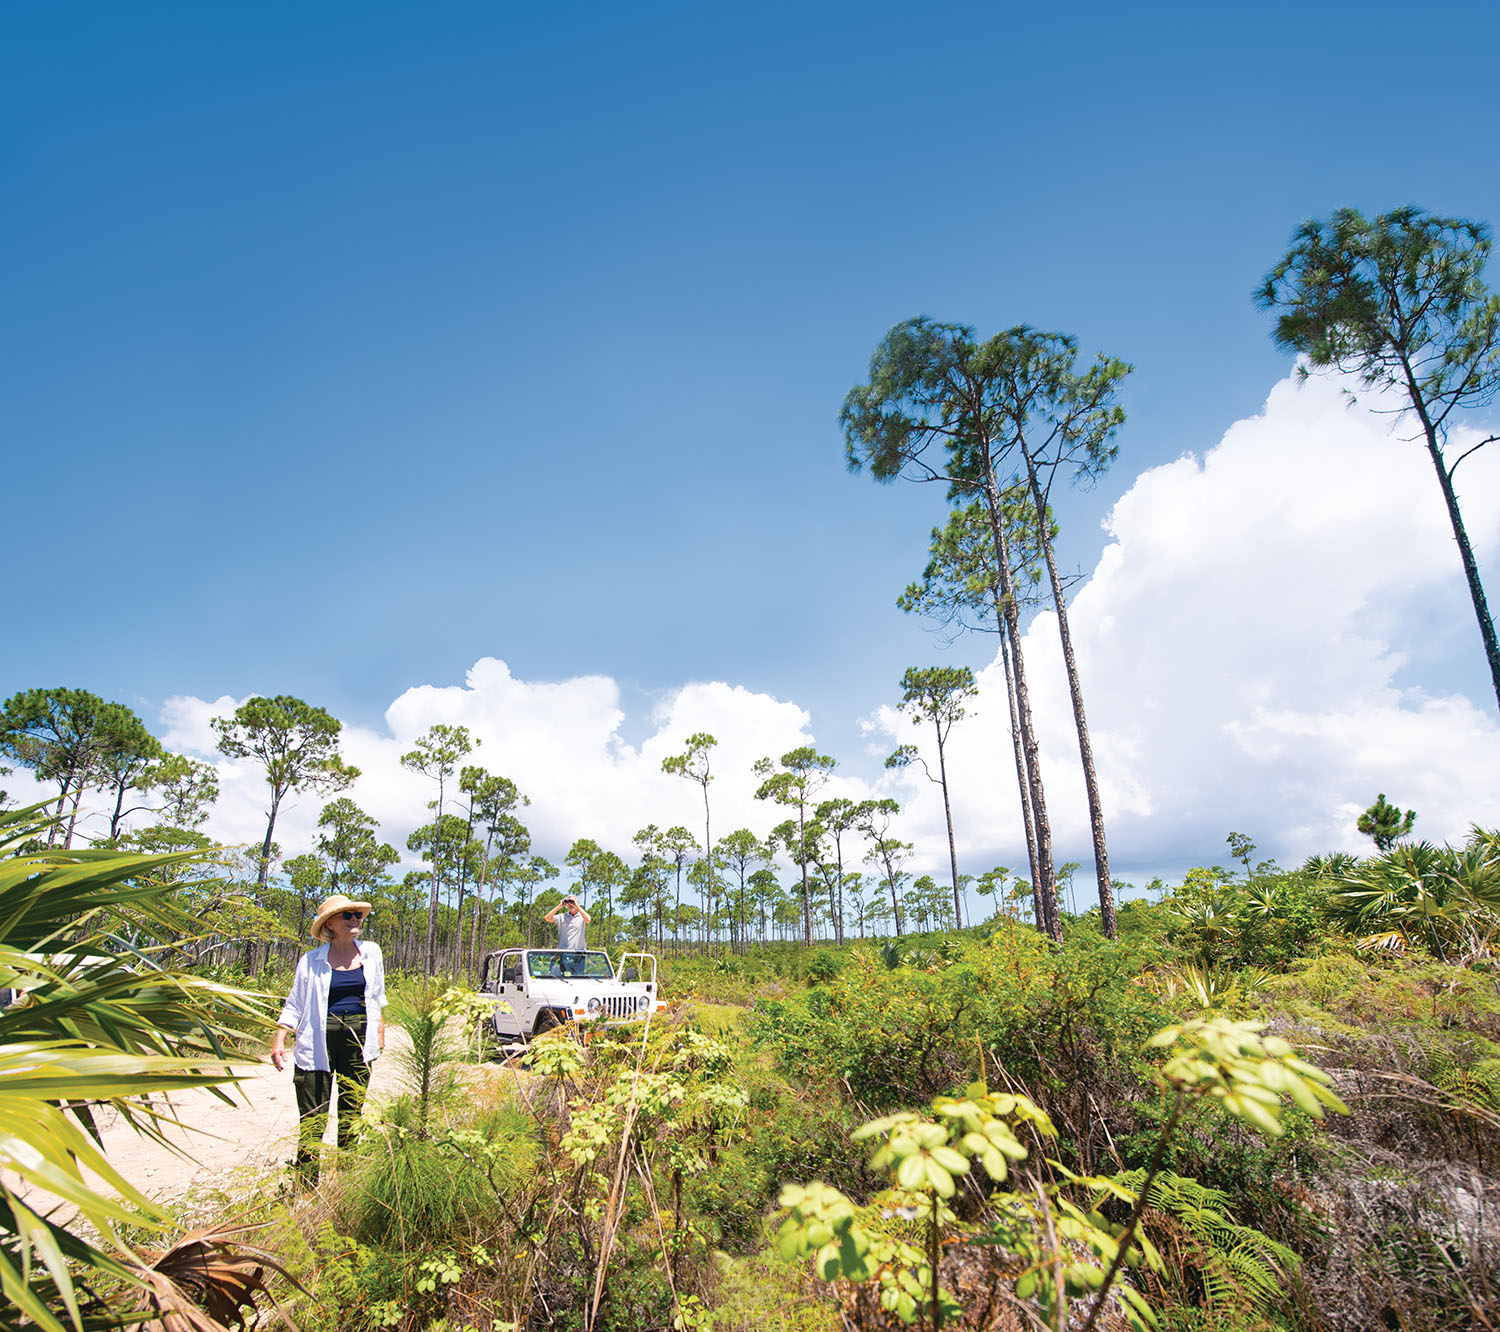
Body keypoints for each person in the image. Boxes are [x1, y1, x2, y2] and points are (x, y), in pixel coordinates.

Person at [270, 893, 387, 1184]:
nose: (354, 920)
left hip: (358, 1044)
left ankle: (347, 1184)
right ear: (330, 924)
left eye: (357, 915)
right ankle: (306, 1185)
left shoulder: (371, 953)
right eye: (347, 916)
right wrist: (279, 1038)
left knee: (352, 1115)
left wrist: (380, 1030)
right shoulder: (311, 961)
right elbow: (295, 1003)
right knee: (313, 1118)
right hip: (317, 1044)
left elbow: (377, 996)